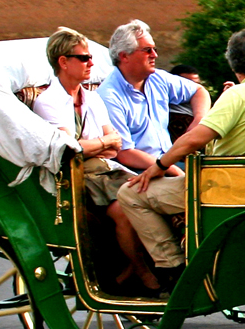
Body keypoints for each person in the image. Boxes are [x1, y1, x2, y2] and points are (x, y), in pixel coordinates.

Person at [30, 28, 154, 290]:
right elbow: (70, 151)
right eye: (84, 58)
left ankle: (138, 266)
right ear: (63, 62)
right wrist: (99, 144)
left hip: (106, 169)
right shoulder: (48, 103)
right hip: (75, 177)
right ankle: (139, 271)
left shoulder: (93, 99)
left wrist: (93, 146)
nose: (91, 63)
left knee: (152, 193)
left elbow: (114, 145)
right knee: (125, 208)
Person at [101, 19, 210, 293]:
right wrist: (172, 168)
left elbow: (199, 91)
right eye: (147, 50)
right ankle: (155, 268)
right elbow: (124, 152)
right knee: (129, 203)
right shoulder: (110, 94)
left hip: (167, 161)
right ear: (124, 56)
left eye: (154, 49)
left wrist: (199, 118)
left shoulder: (158, 79)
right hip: (135, 170)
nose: (155, 55)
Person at [156, 29, 245, 173]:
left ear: (232, 62)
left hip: (224, 181)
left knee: (130, 192)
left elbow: (193, 141)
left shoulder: (237, 94)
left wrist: (158, 167)